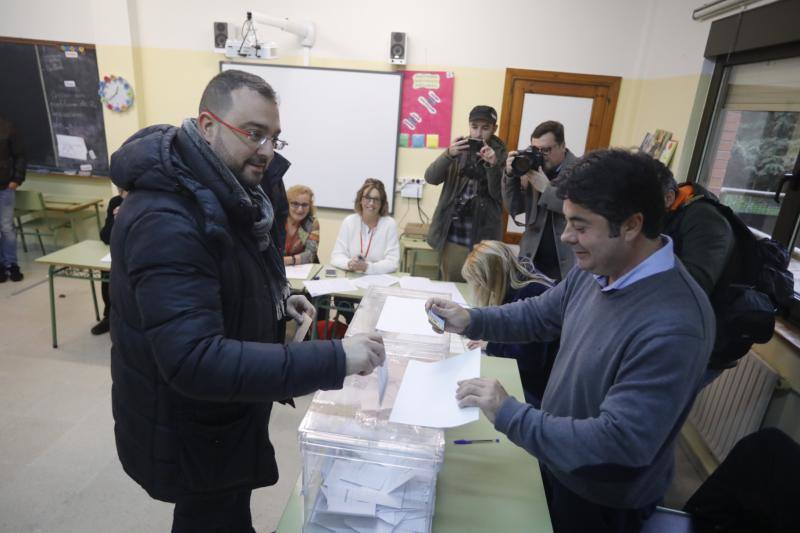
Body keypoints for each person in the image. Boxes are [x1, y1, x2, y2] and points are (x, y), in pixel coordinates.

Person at [108, 70, 386, 533]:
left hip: (223, 415)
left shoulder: (225, 189)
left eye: (275, 137)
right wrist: (336, 357)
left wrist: (278, 300)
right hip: (191, 426)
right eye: (253, 134)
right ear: (207, 125)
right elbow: (194, 359)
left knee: (222, 516)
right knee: (210, 517)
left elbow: (226, 278)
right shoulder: (167, 217)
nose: (266, 150)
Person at [428, 149, 715, 533]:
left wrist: (510, 413)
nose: (566, 237)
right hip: (556, 458)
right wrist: (471, 319)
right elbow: (539, 314)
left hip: (600, 500)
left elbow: (618, 441)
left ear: (630, 225)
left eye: (580, 226)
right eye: (566, 222)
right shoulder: (599, 267)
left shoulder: (675, 323)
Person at [461, 240, 557, 407]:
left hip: (540, 393)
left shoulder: (531, 293)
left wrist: (492, 345)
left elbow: (528, 360)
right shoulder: (520, 282)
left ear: (489, 279)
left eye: (477, 283)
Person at [424, 105, 507, 282]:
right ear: (469, 125)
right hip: (454, 236)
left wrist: (493, 166)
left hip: (484, 240)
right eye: (474, 126)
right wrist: (448, 154)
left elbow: (501, 197)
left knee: (481, 292)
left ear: (494, 129)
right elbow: (431, 178)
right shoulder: (458, 148)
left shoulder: (502, 157)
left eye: (485, 128)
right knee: (450, 288)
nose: (478, 133)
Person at [503, 120, 577, 281]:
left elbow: (579, 209)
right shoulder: (532, 167)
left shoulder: (580, 170)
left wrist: (546, 189)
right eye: (536, 150)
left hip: (563, 263)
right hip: (531, 260)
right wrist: (511, 176)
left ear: (562, 146)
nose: (541, 156)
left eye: (546, 150)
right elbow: (514, 208)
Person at [330, 178, 399, 274]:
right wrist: (349, 263)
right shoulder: (349, 222)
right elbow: (336, 257)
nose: (371, 203)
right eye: (367, 198)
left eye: (376, 199)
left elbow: (392, 262)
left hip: (378, 279)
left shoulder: (389, 224)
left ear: (382, 203)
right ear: (360, 200)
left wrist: (367, 267)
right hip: (351, 278)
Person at [90, 188, 127, 335]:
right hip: (118, 253)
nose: (122, 193)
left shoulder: (147, 203)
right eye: (121, 190)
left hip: (140, 251)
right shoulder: (116, 202)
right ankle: (109, 316)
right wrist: (115, 220)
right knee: (107, 270)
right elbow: (105, 236)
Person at [0, 115, 26, 283]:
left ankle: (11, 264)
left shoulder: (7, 127)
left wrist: (16, 180)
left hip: (5, 186)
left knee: (7, 227)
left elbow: (20, 156)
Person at [284, 184, 320, 266]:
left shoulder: (312, 224)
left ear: (310, 206)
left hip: (301, 270)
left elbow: (310, 254)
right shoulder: (276, 221)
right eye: (295, 204)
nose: (300, 209)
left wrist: (289, 260)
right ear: (287, 204)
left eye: (304, 205)